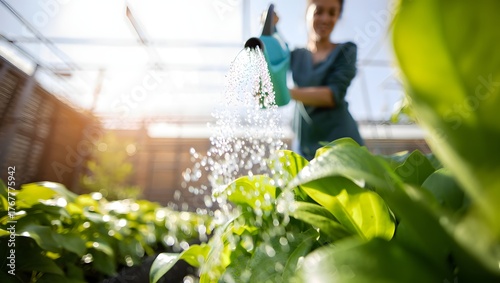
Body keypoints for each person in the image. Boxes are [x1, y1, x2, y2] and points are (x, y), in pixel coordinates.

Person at [285, 0, 364, 160]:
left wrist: (286, 92)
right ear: (307, 13)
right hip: (305, 142)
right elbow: (273, 67)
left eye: (332, 13)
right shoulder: (295, 55)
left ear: (338, 17)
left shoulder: (346, 51)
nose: (325, 19)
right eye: (318, 11)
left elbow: (332, 95)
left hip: (341, 143)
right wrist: (270, 30)